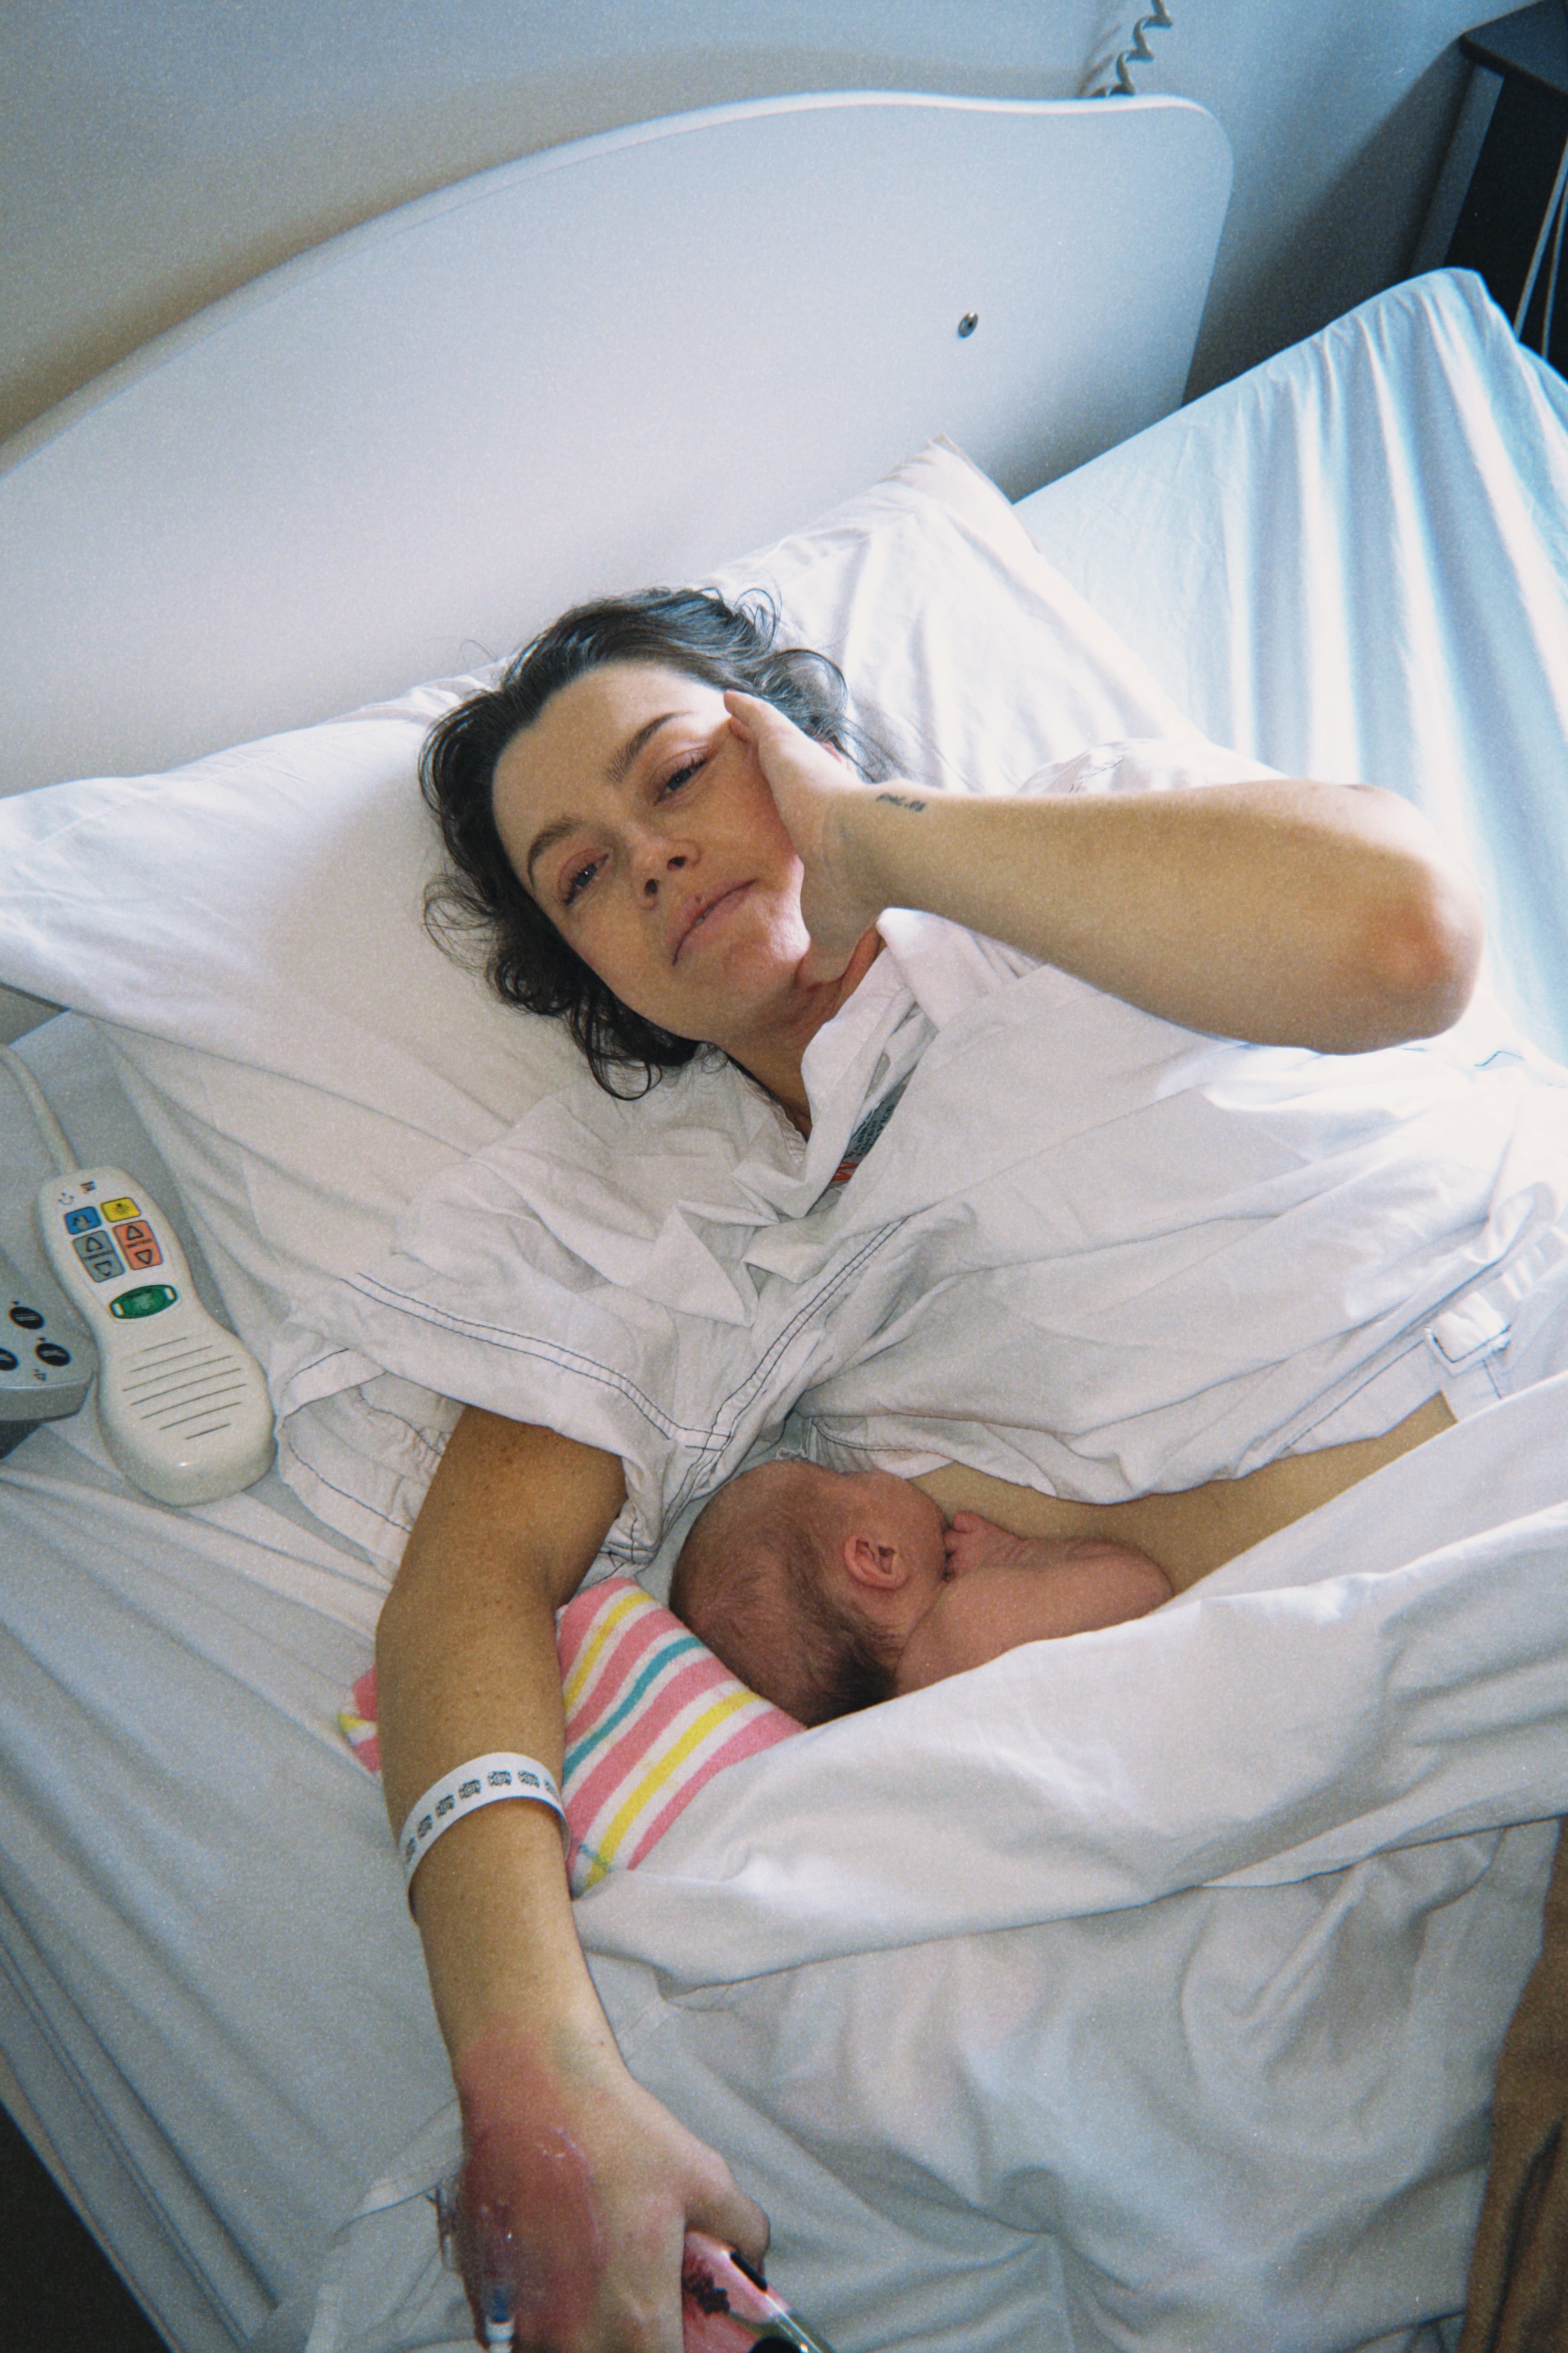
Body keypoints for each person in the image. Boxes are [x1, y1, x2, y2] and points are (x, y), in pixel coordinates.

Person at [355, 579, 1564, 2353]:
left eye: (679, 772)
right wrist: (534, 2075)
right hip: (1366, 1719)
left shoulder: (1089, 839)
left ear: (794, 730)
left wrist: (877, 842)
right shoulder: (641, 1208)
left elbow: (1404, 940)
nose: (654, 858)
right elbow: (465, 1587)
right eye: (583, 873)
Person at [669, 1456, 1172, 1721]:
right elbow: (1144, 1587)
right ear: (878, 1557)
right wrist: (1015, 1556)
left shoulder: (897, 1722)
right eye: (844, 1474)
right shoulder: (968, 1624)